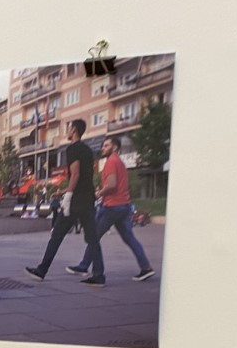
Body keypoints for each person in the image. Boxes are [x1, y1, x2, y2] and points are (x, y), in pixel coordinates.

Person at [64, 135, 156, 281]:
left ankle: (84, 266)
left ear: (115, 147)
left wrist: (98, 194)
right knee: (129, 238)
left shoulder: (111, 162)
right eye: (103, 146)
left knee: (93, 236)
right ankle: (146, 268)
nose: (103, 148)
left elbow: (112, 185)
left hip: (111, 207)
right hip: (124, 206)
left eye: (106, 146)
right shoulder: (120, 162)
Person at [24, 118, 102, 285]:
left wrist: (68, 196)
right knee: (92, 238)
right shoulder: (88, 150)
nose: (67, 131)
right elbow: (86, 176)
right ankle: (99, 276)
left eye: (69, 128)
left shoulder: (72, 148)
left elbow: (76, 174)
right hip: (88, 198)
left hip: (76, 201)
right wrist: (64, 191)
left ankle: (41, 270)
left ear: (73, 130)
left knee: (57, 235)